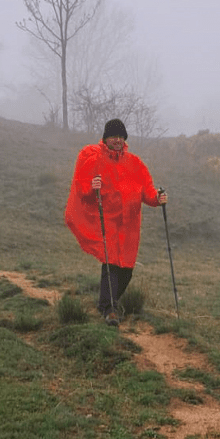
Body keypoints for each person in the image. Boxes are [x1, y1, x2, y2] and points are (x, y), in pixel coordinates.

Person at [65, 118, 167, 327]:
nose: (118, 140)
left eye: (121, 137)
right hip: (107, 222)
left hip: (130, 226)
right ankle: (110, 309)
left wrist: (157, 198)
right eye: (113, 136)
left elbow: (147, 192)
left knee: (126, 270)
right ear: (106, 138)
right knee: (111, 264)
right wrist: (92, 187)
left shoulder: (136, 164)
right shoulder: (93, 158)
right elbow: (82, 188)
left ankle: (107, 303)